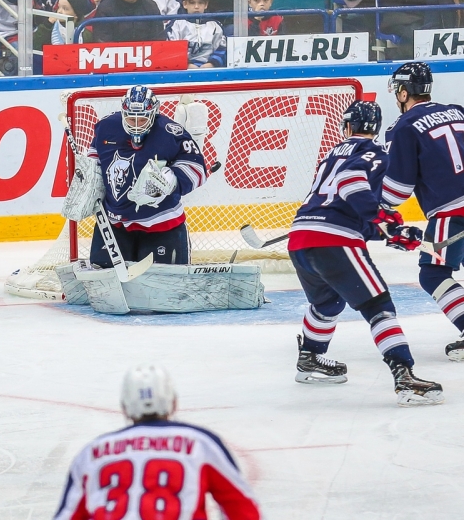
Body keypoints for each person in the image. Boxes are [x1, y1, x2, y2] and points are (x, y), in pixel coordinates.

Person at [288, 100, 443, 407]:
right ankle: (404, 376)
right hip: (334, 241)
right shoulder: (376, 153)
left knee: (327, 301)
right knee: (379, 306)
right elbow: (351, 184)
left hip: (301, 238)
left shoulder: (331, 154)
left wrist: (388, 233)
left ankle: (310, 358)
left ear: (346, 126)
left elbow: (348, 208)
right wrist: (384, 221)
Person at [53, 364, 261, 520]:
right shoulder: (201, 443)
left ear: (125, 407)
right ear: (173, 402)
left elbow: (68, 515)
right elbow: (242, 508)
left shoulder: (93, 452)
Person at [381, 62, 464, 361]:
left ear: (403, 93)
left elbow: (396, 191)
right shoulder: (457, 110)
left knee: (433, 273)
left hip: (452, 212)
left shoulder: (403, 127)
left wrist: (372, 208)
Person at [87, 85, 207, 267]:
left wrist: (172, 178)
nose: (135, 125)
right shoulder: (107, 127)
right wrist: (87, 176)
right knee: (103, 282)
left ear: (153, 114)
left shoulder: (171, 132)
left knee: (166, 286)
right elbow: (95, 155)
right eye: (130, 118)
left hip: (162, 224)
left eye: (141, 119)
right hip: (113, 225)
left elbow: (197, 167)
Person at [167, 0, 226, 68]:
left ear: (206, 5)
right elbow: (172, 49)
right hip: (183, 69)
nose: (196, 6)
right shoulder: (176, 24)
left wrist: (212, 64)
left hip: (210, 69)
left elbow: (222, 48)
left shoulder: (215, 25)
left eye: (200, 3)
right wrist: (187, 64)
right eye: (192, 3)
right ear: (185, 4)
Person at [91, 0, 166, 43]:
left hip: (147, 59)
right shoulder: (105, 8)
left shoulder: (151, 6)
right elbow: (102, 43)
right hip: (114, 59)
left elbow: (158, 40)